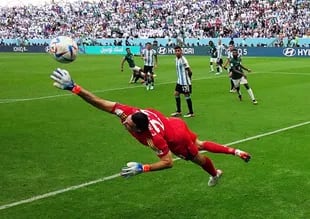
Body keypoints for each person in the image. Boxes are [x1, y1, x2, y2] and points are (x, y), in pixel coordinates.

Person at [50, 68, 252, 187]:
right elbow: (100, 102)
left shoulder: (155, 139)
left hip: (176, 136)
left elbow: (168, 162)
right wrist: (75, 88)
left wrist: (143, 168)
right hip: (172, 122)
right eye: (126, 120)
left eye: (129, 124)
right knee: (199, 143)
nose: (125, 123)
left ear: (139, 129)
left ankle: (215, 173)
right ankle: (235, 151)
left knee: (197, 156)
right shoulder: (128, 112)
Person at [171, 46, 194, 118]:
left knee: (187, 95)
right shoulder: (176, 59)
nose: (177, 52)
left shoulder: (183, 60)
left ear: (181, 51)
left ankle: (191, 112)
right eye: (176, 51)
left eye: (178, 51)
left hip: (185, 81)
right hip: (179, 81)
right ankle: (179, 111)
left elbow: (190, 71)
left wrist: (189, 80)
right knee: (176, 94)